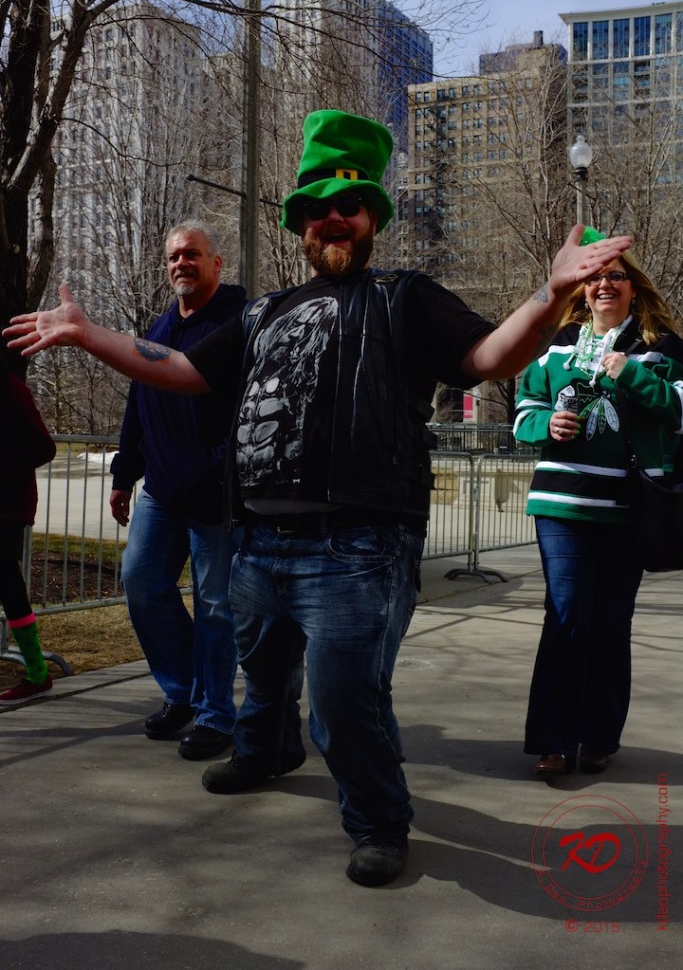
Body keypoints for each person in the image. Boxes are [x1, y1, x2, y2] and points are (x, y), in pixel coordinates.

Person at [3, 110, 634, 886]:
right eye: (317, 209)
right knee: (263, 677)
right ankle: (265, 750)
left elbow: (486, 357)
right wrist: (88, 333)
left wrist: (548, 292)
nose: (333, 217)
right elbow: (182, 368)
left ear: (372, 219)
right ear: (299, 223)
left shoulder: (403, 297)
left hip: (358, 550)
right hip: (257, 542)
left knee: (343, 705)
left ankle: (378, 820)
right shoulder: (262, 312)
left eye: (351, 205)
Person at [513, 230, 683, 778]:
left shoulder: (662, 348)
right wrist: (548, 423)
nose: (604, 284)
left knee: (611, 622)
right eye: (594, 278)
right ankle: (554, 741)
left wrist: (631, 372)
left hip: (630, 508)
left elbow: (678, 411)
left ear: (634, 286)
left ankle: (599, 736)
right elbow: (523, 412)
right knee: (566, 614)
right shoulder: (557, 344)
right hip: (561, 504)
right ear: (582, 290)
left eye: (615, 276)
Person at [109, 222, 246, 760]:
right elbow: (138, 402)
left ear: (216, 263)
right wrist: (125, 474)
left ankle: (216, 714)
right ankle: (182, 692)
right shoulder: (159, 327)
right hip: (161, 491)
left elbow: (248, 411)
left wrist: (219, 468)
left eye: (191, 254)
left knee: (215, 607)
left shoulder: (239, 323)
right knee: (141, 582)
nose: (180, 264)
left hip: (217, 493)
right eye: (173, 257)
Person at [0, 346, 57, 705]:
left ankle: (37, 674)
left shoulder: (10, 389)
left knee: (7, 583)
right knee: (8, 584)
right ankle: (37, 673)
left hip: (8, 507)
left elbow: (44, 448)